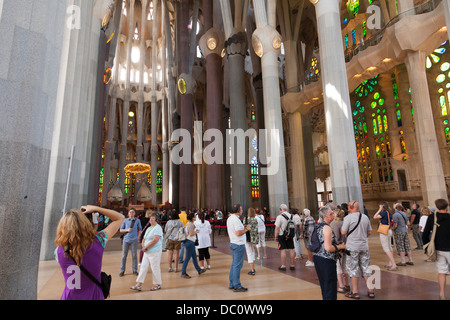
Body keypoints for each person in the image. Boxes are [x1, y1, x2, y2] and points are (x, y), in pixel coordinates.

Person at [54, 205, 124, 300]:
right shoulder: (99, 241)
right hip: (93, 296)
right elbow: (120, 218)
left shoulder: (58, 251)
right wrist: (96, 208)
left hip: (70, 296)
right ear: (86, 224)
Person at [341, 200, 374, 299]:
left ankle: (355, 292)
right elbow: (369, 232)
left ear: (350, 207)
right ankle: (370, 291)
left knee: (353, 269)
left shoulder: (348, 218)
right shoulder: (365, 217)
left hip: (352, 247)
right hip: (364, 246)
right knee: (366, 267)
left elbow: (343, 232)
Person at [313, 206, 346, 300]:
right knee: (330, 288)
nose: (333, 215)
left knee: (325, 287)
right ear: (325, 216)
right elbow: (328, 248)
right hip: (326, 260)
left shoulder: (318, 226)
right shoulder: (326, 228)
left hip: (318, 258)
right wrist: (341, 246)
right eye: (331, 213)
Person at [422, 199, 450, 300]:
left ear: (437, 207)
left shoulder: (432, 217)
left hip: (438, 249)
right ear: (447, 207)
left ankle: (442, 294)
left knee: (441, 272)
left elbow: (424, 234)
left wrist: (426, 247)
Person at [131, 213, 163, 291]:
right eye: (150, 218)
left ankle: (157, 284)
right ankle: (138, 284)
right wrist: (143, 246)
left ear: (156, 220)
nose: (151, 220)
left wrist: (145, 247)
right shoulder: (149, 228)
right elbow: (144, 239)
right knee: (143, 268)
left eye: (153, 218)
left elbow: (155, 240)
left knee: (155, 268)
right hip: (147, 251)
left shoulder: (158, 228)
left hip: (154, 251)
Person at [227, 204, 250, 292]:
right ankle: (237, 285)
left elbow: (235, 229)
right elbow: (238, 233)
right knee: (237, 266)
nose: (242, 211)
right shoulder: (236, 220)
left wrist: (242, 227)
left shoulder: (230, 218)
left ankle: (232, 283)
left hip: (233, 243)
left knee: (234, 264)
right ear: (238, 211)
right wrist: (246, 229)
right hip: (238, 244)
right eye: (241, 209)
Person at [181, 211, 207, 279]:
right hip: (190, 242)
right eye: (195, 217)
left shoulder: (189, 223)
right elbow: (191, 234)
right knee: (187, 258)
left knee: (194, 257)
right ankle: (183, 273)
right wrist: (197, 232)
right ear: (193, 218)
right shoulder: (191, 224)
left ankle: (199, 270)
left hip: (189, 242)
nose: (196, 218)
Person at [330, 208, 350, 293]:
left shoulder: (336, 225)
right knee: (345, 266)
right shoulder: (346, 223)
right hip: (346, 246)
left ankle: (341, 286)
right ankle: (347, 284)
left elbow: (337, 237)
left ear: (337, 216)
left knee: (338, 267)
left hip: (339, 247)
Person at [373, 202, 397, 271]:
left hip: (384, 232)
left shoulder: (383, 213)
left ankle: (394, 264)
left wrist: (379, 210)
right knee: (389, 247)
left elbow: (374, 217)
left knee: (386, 248)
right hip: (389, 230)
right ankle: (390, 263)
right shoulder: (389, 213)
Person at [119, 208, 142, 276]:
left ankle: (135, 270)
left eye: (133, 212)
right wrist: (127, 230)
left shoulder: (137, 220)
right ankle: (122, 270)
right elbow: (121, 230)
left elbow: (140, 229)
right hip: (126, 240)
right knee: (124, 256)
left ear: (134, 213)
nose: (131, 213)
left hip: (134, 240)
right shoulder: (125, 220)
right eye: (130, 212)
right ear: (128, 213)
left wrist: (138, 237)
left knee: (134, 255)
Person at [275, 204, 296, 271]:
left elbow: (277, 228)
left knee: (283, 250)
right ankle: (292, 265)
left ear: (281, 209)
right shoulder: (292, 217)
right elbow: (295, 226)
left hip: (282, 235)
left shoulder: (279, 217)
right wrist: (292, 234)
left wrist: (276, 236)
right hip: (290, 235)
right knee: (291, 249)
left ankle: (283, 266)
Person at [244, 208, 259, 275]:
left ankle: (252, 269)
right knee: (253, 252)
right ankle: (253, 267)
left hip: (248, 238)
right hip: (254, 238)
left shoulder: (246, 219)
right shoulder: (255, 219)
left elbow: (244, 227)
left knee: (249, 253)